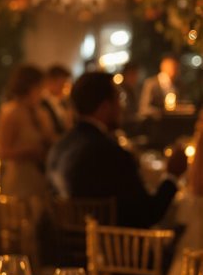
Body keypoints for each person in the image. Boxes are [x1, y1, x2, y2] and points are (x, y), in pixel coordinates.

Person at [47, 72, 185, 228]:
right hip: (112, 249)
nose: (122, 107)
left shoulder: (57, 149)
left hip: (66, 248)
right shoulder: (110, 153)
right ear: (105, 107)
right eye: (119, 99)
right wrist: (171, 176)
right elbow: (148, 213)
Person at [0, 65, 54, 198]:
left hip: (40, 179)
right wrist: (28, 151)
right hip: (20, 180)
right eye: (40, 87)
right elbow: (2, 151)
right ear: (29, 87)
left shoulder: (41, 113)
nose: (42, 92)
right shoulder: (11, 113)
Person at [140, 54, 180, 118]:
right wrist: (161, 112)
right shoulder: (151, 83)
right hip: (155, 124)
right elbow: (144, 108)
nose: (177, 71)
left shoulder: (175, 85)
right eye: (174, 67)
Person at [41, 65, 73, 135]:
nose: (65, 87)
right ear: (51, 81)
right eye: (62, 84)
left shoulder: (64, 103)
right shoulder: (41, 103)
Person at [118, 62, 142, 127]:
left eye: (136, 75)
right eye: (132, 75)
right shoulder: (121, 91)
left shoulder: (134, 90)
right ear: (125, 75)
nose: (135, 78)